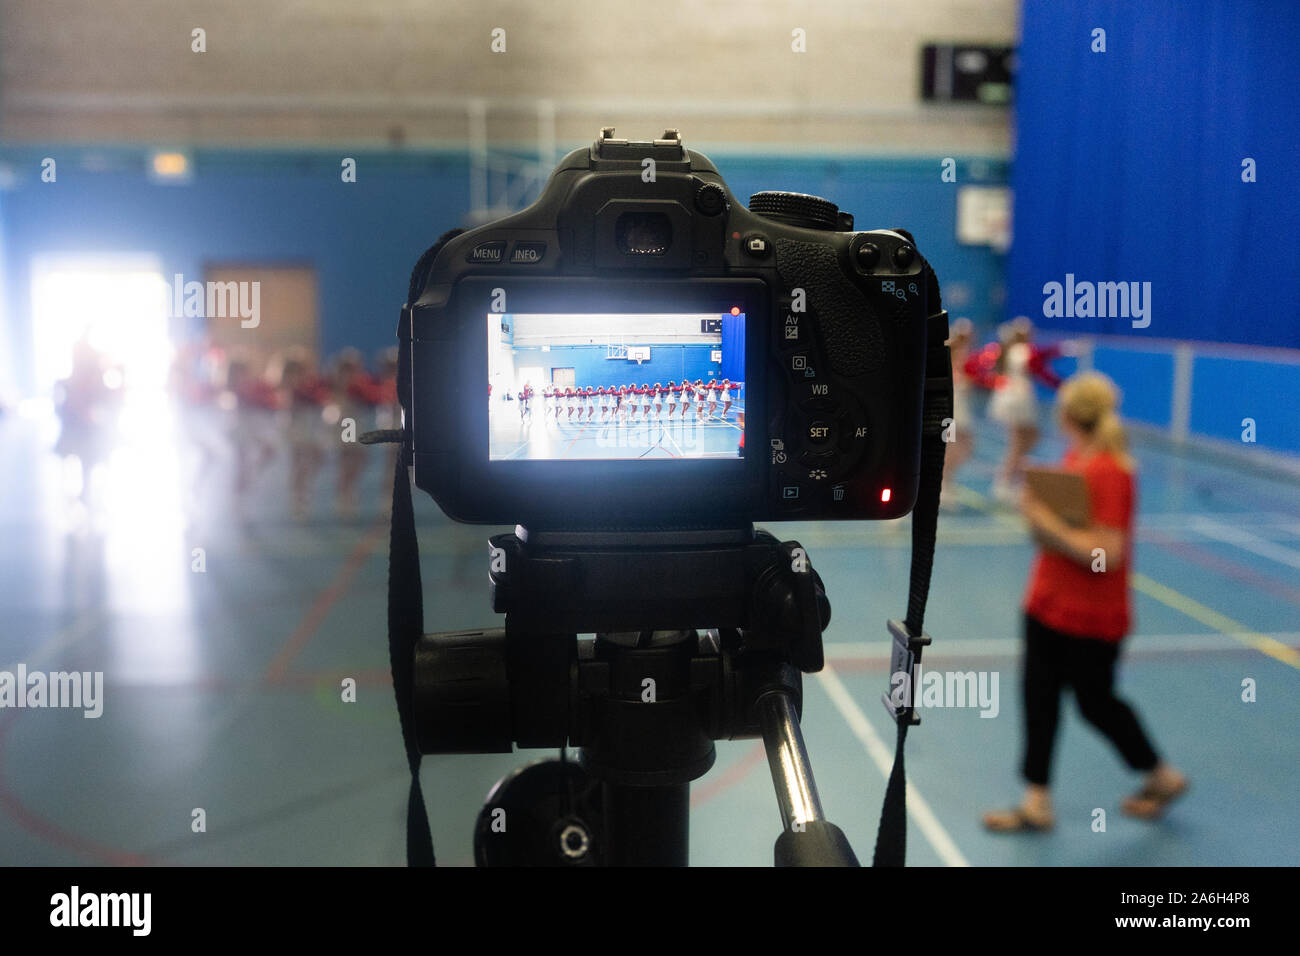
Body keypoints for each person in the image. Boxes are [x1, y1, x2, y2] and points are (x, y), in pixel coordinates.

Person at [983, 372, 1187, 833]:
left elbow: (1106, 555)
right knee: (1039, 701)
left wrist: (1043, 520)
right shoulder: (1077, 460)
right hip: (1048, 605)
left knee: (1097, 704)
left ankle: (1161, 775)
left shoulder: (1111, 471)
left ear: (1069, 415)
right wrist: (1035, 516)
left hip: (1088, 617)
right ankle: (1036, 800)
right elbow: (1058, 537)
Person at [967, 317, 1064, 505]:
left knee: (1024, 440)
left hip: (1012, 397)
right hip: (1017, 400)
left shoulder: (1011, 350)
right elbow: (1042, 365)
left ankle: (1010, 479)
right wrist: (1061, 382)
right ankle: (1004, 481)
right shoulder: (1023, 352)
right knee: (1020, 442)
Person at [940, 318, 976, 510]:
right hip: (950, 409)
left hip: (960, 410)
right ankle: (942, 485)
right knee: (950, 446)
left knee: (964, 446)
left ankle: (946, 482)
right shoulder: (948, 353)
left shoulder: (965, 356)